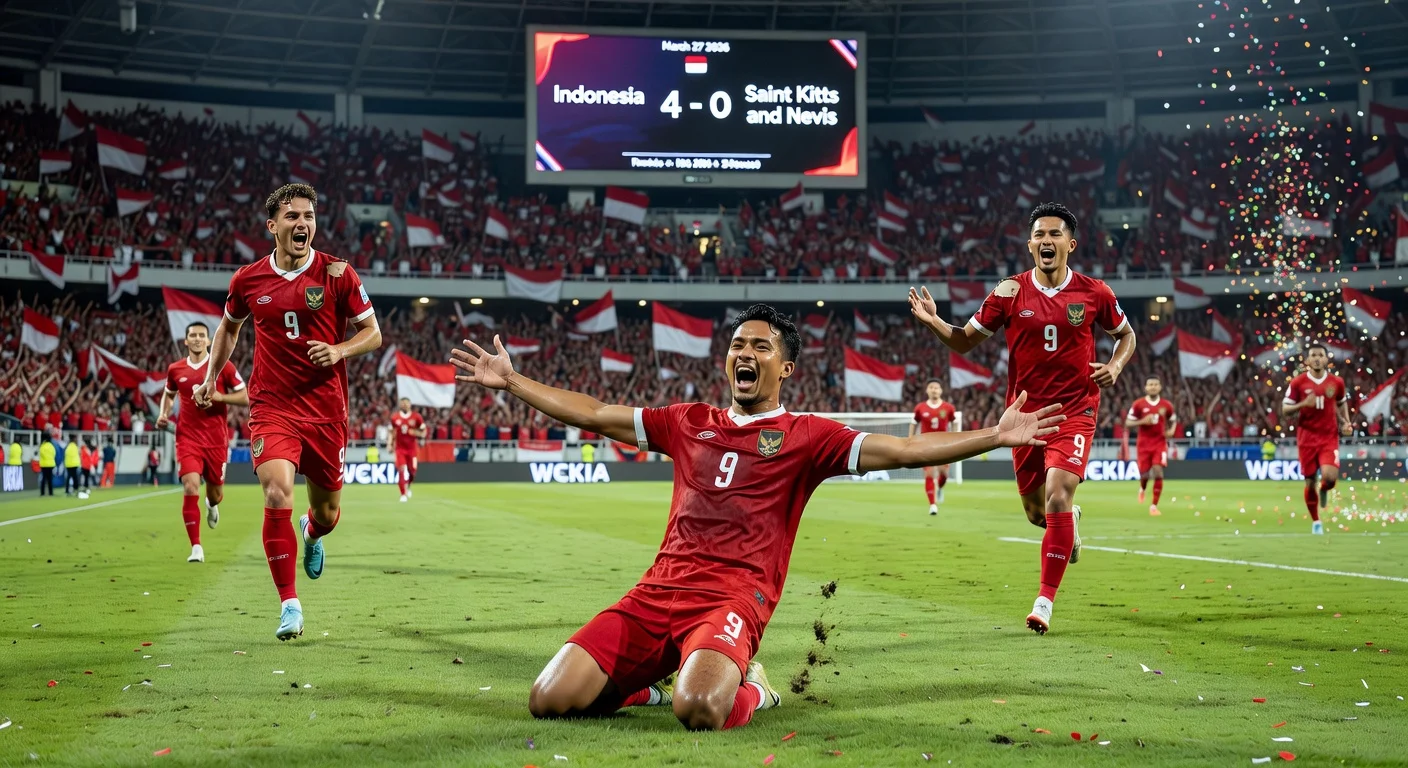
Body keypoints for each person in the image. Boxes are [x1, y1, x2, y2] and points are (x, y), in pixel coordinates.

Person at [450, 304, 1062, 731]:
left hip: (731, 600)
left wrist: (993, 436)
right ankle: (644, 681)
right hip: (655, 592)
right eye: (738, 345)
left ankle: (756, 686)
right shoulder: (687, 421)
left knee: (698, 712)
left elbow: (901, 450)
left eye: (760, 347)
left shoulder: (805, 437)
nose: (745, 353)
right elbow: (595, 412)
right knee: (547, 700)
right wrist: (514, 383)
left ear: (784, 368)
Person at [908, 201, 1136, 635]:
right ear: (1030, 244)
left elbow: (1125, 335)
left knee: (1055, 497)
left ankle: (1044, 602)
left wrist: (1117, 365)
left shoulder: (1095, 292)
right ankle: (1070, 525)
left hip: (1075, 410)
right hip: (1023, 418)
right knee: (1038, 514)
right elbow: (964, 342)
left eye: (1054, 234)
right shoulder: (1009, 292)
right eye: (1039, 235)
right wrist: (935, 322)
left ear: (1071, 243)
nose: (1046, 241)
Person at [196, 183, 381, 640]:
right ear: (273, 225)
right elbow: (228, 328)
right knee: (276, 491)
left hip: (326, 411)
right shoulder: (248, 280)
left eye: (309, 216)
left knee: (328, 513)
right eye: (293, 216)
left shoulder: (338, 273)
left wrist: (339, 350)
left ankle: (312, 534)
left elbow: (373, 334)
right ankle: (290, 605)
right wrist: (209, 378)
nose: (303, 224)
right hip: (272, 405)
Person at [157, 321, 249, 564]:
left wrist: (220, 396)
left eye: (201, 335)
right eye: (192, 335)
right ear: (186, 341)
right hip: (187, 438)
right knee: (190, 486)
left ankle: (211, 504)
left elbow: (246, 396)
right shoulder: (175, 369)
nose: (197, 339)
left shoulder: (223, 367)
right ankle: (196, 546)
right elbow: (168, 393)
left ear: (209, 341)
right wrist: (163, 413)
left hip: (217, 441)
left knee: (216, 493)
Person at [1281, 342, 1352, 535]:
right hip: (1307, 439)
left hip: (1328, 437)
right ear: (1307, 360)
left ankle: (1325, 489)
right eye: (1313, 355)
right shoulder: (1298, 383)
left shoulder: (1337, 382)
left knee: (1329, 478)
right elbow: (1285, 410)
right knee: (1309, 482)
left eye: (1321, 354)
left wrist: (1346, 422)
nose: (1317, 358)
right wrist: (1303, 403)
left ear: (1327, 359)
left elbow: (1341, 402)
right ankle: (1316, 521)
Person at [1125, 376, 1177, 516]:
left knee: (1158, 471)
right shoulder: (1138, 404)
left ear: (1160, 387)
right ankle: (1142, 488)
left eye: (1155, 384)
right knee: (1145, 474)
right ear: (1146, 388)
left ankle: (1154, 506)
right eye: (1150, 384)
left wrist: (1171, 431)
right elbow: (1128, 423)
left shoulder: (1166, 405)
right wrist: (1142, 421)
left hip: (1159, 443)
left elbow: (1173, 420)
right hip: (1143, 444)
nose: (1153, 387)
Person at [910, 379, 957, 515]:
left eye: (936, 388)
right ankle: (932, 505)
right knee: (929, 474)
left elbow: (954, 421)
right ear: (927, 390)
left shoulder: (948, 408)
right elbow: (914, 422)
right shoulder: (920, 408)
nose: (934, 390)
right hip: (926, 445)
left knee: (944, 474)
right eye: (931, 387)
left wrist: (954, 437)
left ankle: (940, 488)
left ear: (941, 390)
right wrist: (910, 439)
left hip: (943, 445)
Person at [389, 397, 427, 503]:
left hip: (412, 450)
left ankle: (408, 486)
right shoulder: (395, 418)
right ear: (400, 405)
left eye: (406, 403)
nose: (405, 405)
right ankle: (403, 494)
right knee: (402, 470)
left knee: (412, 471)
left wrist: (415, 433)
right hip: (400, 449)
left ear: (410, 404)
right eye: (403, 403)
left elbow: (424, 432)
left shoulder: (416, 417)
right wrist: (389, 444)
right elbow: (391, 432)